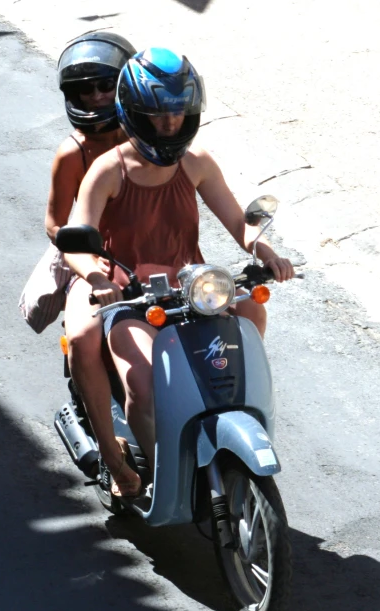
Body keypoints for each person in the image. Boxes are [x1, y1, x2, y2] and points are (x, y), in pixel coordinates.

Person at [63, 47, 294, 497]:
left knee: (251, 313)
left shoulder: (196, 162)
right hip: (125, 290)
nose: (169, 125)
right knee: (134, 381)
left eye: (177, 114)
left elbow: (238, 220)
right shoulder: (108, 171)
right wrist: (96, 278)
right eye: (158, 116)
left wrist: (265, 250)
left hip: (187, 287)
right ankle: (119, 460)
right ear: (132, 113)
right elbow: (78, 238)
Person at [45, 30, 140, 494]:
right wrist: (91, 266)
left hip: (152, 264)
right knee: (83, 339)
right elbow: (55, 224)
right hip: (97, 268)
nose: (97, 97)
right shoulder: (74, 152)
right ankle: (111, 453)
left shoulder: (149, 135)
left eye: (105, 86)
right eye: (86, 90)